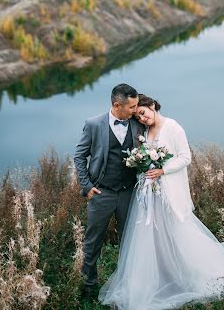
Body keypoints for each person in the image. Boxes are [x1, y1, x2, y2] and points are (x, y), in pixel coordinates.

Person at [99, 94, 224, 310]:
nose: (141, 118)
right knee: (152, 237)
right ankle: (159, 276)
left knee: (177, 232)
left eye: (143, 113)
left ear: (152, 106)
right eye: (138, 117)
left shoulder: (173, 127)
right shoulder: (144, 132)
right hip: (149, 195)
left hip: (169, 193)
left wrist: (162, 170)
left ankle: (200, 273)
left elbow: (186, 157)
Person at [73, 83, 144, 300]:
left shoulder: (137, 124)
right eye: (131, 107)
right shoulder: (93, 124)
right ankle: (88, 285)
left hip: (128, 194)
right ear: (116, 105)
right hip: (101, 193)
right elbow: (79, 156)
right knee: (92, 242)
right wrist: (86, 187)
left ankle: (127, 287)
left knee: (130, 241)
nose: (135, 110)